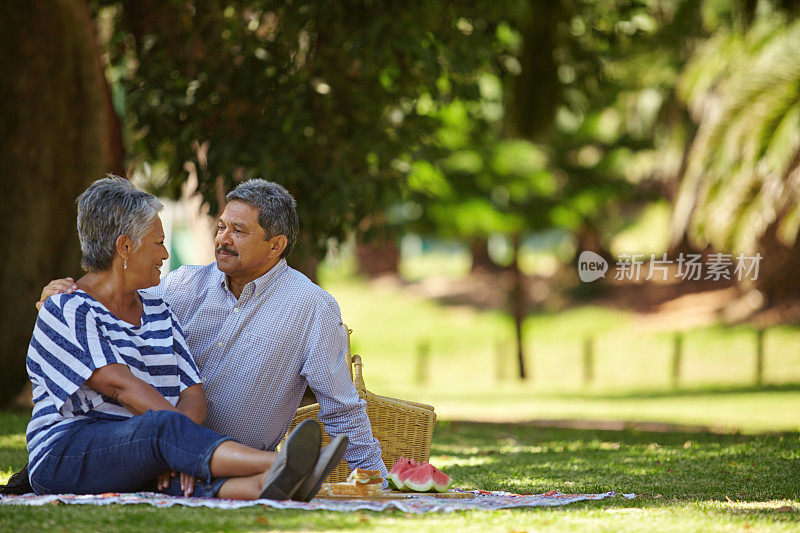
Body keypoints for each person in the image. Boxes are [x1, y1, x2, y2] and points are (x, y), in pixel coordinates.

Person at [38, 178, 388, 480]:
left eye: (239, 231)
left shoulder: (312, 307)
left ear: (276, 245)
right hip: (149, 449)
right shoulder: (181, 284)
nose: (222, 239)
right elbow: (111, 305)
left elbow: (342, 409)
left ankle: (283, 471)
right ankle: (285, 467)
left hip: (234, 461)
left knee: (248, 483)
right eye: (221, 227)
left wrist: (379, 481)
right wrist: (60, 293)